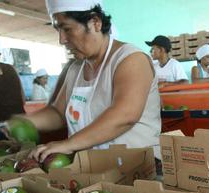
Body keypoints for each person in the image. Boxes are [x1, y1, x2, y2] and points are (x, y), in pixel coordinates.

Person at [22, 0, 161, 163]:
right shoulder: (76, 68)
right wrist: (23, 122)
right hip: (91, 168)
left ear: (95, 22)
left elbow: (125, 115)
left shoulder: (130, 59)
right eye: (58, 30)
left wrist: (69, 144)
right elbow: (58, 114)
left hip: (136, 168)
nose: (62, 39)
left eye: (67, 29)